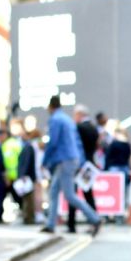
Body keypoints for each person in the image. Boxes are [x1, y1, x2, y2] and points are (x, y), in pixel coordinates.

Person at [40, 96, 102, 236]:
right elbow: (77, 143)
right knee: (54, 191)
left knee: (69, 195)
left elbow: (52, 143)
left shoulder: (55, 119)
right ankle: (50, 224)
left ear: (51, 106)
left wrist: (44, 162)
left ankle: (95, 219)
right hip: (71, 159)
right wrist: (80, 161)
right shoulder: (67, 120)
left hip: (64, 160)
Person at [67, 104, 99, 233]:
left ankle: (71, 224)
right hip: (90, 164)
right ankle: (94, 221)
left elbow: (76, 146)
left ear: (79, 114)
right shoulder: (93, 128)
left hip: (79, 165)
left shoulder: (79, 127)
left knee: (72, 194)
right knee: (88, 194)